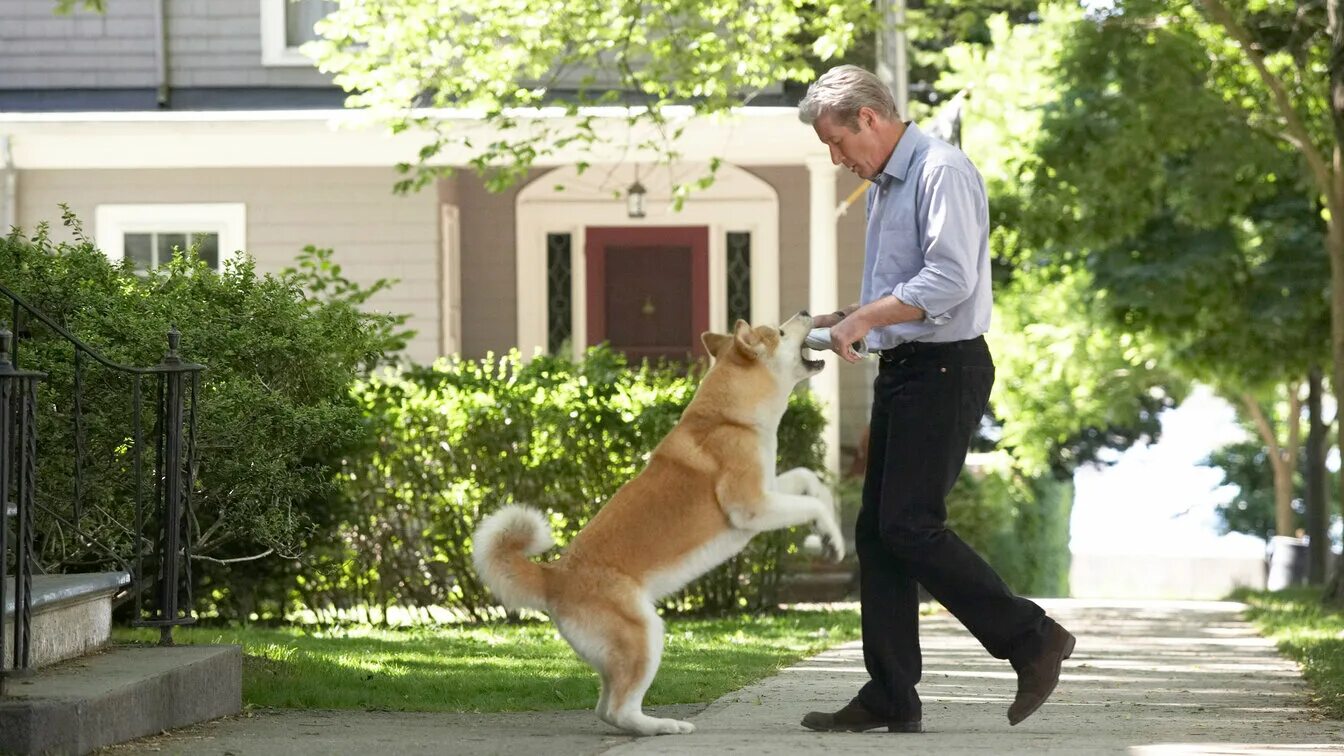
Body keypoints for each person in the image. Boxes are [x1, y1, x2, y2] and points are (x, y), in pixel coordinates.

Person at [796, 64, 1076, 734]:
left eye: (838, 142)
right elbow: (901, 293)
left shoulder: (939, 171)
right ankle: (892, 693)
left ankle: (1031, 638)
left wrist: (863, 323)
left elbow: (948, 278)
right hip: (907, 369)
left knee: (909, 525)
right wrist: (844, 317)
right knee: (878, 531)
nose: (836, 160)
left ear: (869, 117)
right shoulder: (884, 191)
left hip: (947, 369)